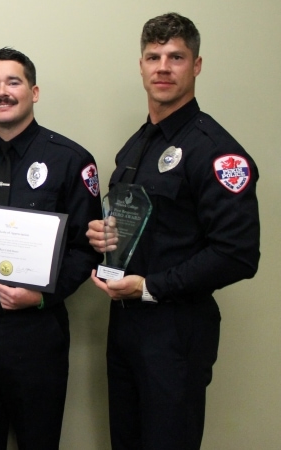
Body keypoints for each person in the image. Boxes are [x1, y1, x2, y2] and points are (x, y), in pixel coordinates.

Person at [86, 13, 260, 450]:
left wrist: (150, 286)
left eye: (176, 57)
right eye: (153, 56)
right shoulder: (137, 145)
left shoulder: (217, 152)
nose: (163, 67)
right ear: (141, 66)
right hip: (125, 325)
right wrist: (108, 240)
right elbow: (143, 224)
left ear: (196, 65)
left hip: (176, 330)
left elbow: (237, 252)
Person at [0, 48, 103, 450]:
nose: (2, 92)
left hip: (36, 331)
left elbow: (88, 250)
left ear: (33, 92)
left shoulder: (71, 159)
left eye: (12, 82)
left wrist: (40, 297)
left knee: (39, 440)